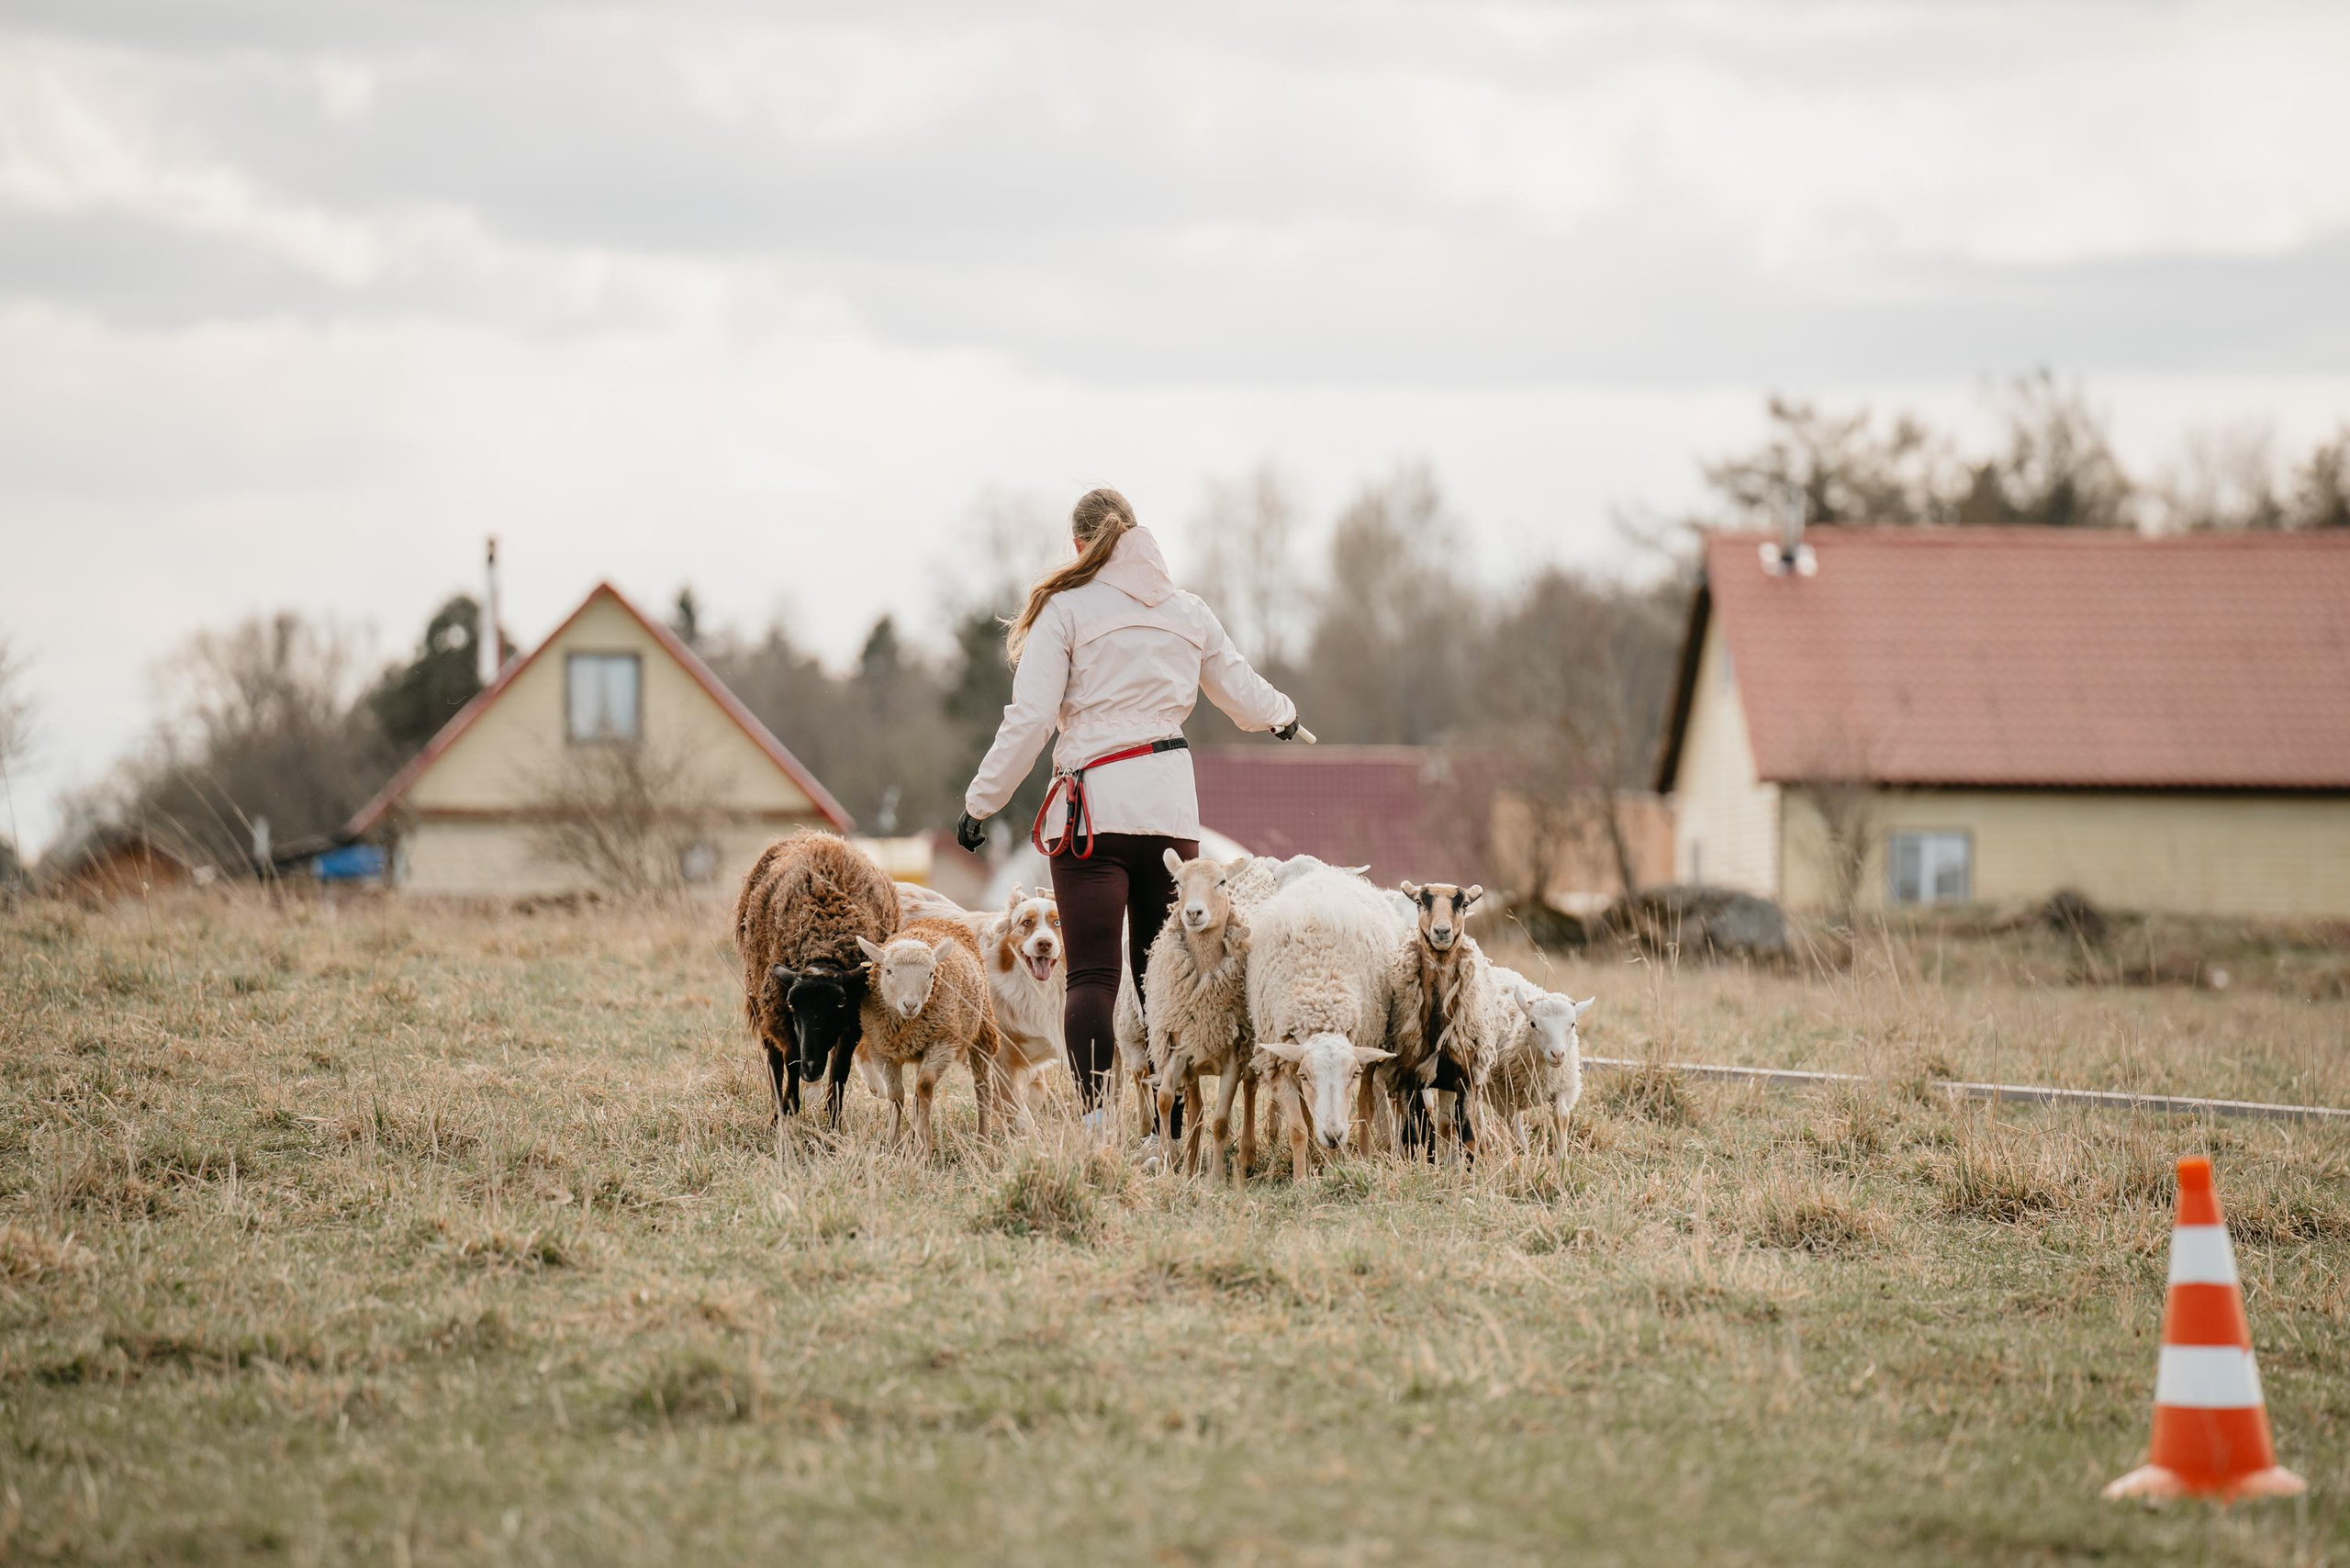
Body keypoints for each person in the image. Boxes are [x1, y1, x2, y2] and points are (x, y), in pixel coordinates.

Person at [957, 487, 1300, 1138]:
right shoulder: (1188, 611)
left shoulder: (1065, 610)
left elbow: (1029, 719)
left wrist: (982, 802)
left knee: (1091, 973)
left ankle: (1094, 1125)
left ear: (1082, 547)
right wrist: (1284, 716)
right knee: (1161, 972)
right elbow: (1243, 692)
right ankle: (1169, 1128)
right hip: (1171, 815)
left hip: (1095, 813)